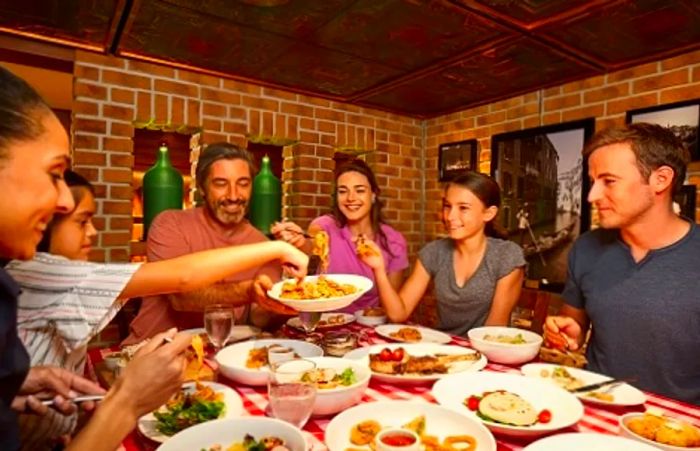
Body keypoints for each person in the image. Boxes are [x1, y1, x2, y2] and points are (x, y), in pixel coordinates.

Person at [8, 170, 308, 449]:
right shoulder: (37, 272)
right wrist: (277, 248)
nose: (94, 232)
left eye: (243, 182)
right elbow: (181, 279)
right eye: (82, 221)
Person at [0, 65, 190, 451]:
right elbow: (181, 280)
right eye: (55, 173)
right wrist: (127, 402)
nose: (63, 201)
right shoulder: (33, 270)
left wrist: (10, 386)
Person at [544, 123, 699, 405]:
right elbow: (574, 323)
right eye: (593, 182)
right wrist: (569, 332)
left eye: (609, 181)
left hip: (678, 428)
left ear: (661, 179)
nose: (592, 196)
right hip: (595, 406)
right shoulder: (586, 248)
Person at [124, 143, 287, 343]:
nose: (234, 195)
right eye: (220, 183)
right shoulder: (169, 224)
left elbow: (258, 317)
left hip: (222, 356)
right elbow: (181, 297)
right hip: (151, 351)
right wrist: (249, 291)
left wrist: (289, 302)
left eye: (243, 183)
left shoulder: (261, 243)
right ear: (202, 187)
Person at [358, 172, 525, 336]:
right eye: (447, 206)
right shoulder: (434, 252)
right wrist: (379, 268)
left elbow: (492, 334)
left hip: (485, 353)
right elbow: (398, 313)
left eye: (463, 208)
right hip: (444, 345)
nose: (450, 216)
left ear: (489, 213)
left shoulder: (507, 256)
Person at [271, 159, 409, 313]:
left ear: (373, 195)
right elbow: (312, 245)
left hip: (370, 324)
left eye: (360, 190)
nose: (351, 198)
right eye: (343, 191)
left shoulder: (393, 240)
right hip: (326, 322)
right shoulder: (325, 225)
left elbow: (391, 307)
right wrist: (299, 241)